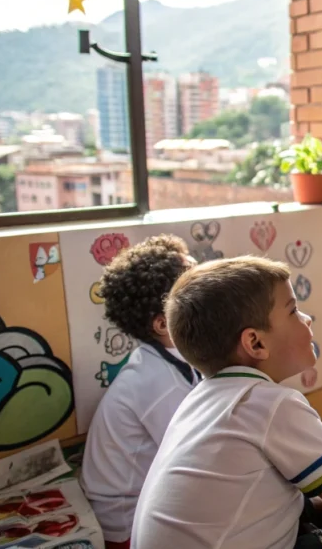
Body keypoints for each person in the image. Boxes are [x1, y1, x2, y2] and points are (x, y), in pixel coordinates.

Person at [131, 256, 322, 549]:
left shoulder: (199, 400)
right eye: (293, 310)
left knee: (309, 507)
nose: (306, 318)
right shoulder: (271, 405)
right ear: (255, 343)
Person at [79, 235, 200, 549]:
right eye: (198, 290)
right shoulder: (159, 383)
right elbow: (198, 459)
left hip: (143, 500)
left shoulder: (173, 360)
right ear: (163, 324)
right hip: (125, 525)